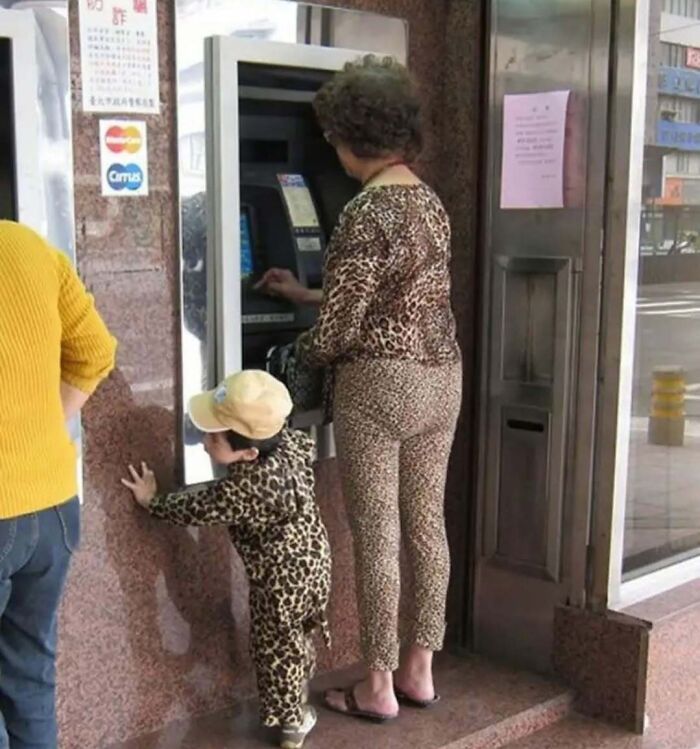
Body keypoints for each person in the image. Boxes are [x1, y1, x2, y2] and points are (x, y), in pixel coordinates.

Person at [257, 55, 462, 723]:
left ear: (352, 136)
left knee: (377, 533)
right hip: (441, 379)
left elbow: (342, 329)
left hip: (378, 386)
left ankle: (375, 684)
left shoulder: (364, 212)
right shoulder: (428, 203)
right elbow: (390, 295)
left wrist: (290, 358)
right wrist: (304, 291)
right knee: (426, 525)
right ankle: (419, 669)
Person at [121, 370, 331, 749]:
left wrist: (152, 500)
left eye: (213, 438)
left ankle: (293, 724)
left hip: (281, 582)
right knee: (296, 637)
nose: (203, 443)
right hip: (313, 560)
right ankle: (297, 700)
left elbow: (197, 507)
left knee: (276, 648)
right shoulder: (290, 442)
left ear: (249, 452)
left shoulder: (250, 488)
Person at [0, 221, 116, 748]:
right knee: (29, 673)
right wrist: (46, 425)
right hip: (49, 505)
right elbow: (96, 349)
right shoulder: (26, 246)